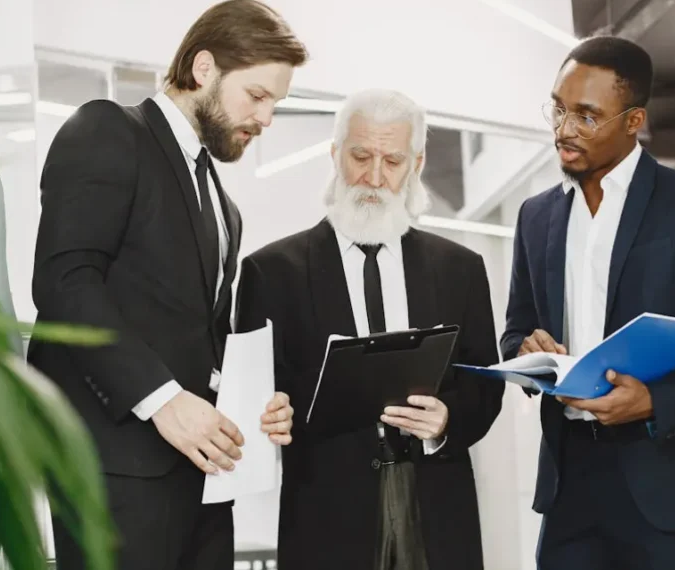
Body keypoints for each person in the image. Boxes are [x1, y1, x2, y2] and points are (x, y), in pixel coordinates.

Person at [27, 2, 307, 569]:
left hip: (200, 477)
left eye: (276, 103)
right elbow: (64, 281)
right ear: (204, 69)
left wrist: (254, 400)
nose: (266, 119)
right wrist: (163, 400)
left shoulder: (226, 210)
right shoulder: (108, 129)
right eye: (257, 96)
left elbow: (197, 338)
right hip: (110, 466)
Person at [500, 36, 675, 570]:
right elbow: (516, 329)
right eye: (557, 108)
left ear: (633, 120)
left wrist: (654, 401)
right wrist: (528, 351)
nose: (563, 130)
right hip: (568, 486)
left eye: (586, 116)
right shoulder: (535, 216)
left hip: (670, 481)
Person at [235, 88, 504, 570]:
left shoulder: (460, 268)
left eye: (393, 161)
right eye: (360, 156)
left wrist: (445, 421)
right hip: (326, 516)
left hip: (439, 508)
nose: (374, 178)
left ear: (416, 165)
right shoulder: (270, 272)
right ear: (335, 154)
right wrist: (267, 414)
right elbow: (253, 399)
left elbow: (485, 386)